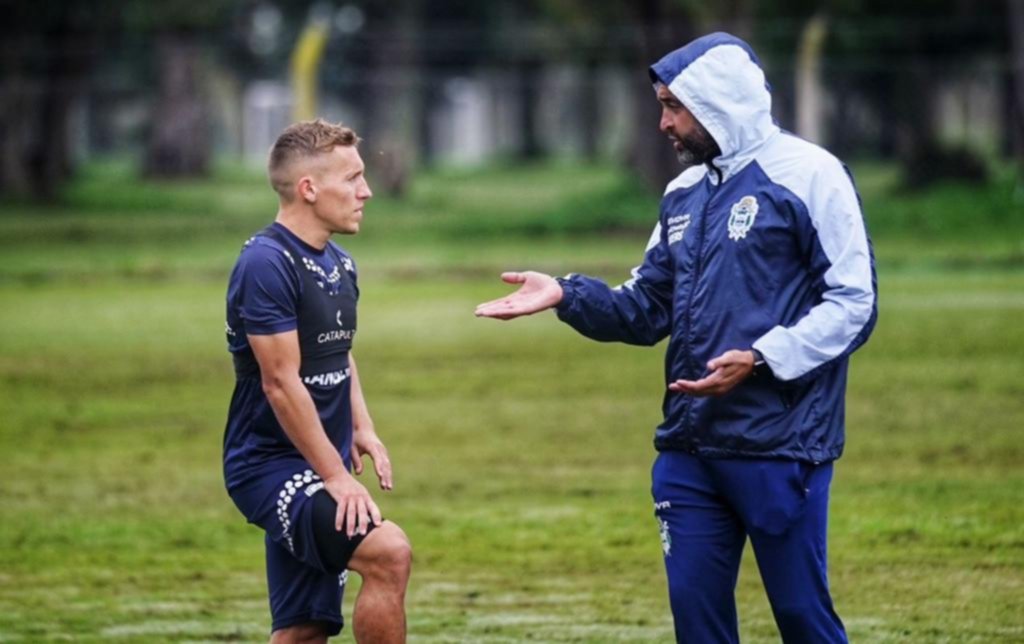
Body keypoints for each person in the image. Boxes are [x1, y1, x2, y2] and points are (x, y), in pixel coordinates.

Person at [475, 32, 876, 644]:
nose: (663, 123)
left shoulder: (811, 175)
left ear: (718, 102)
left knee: (802, 618)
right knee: (698, 625)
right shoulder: (682, 196)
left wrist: (764, 358)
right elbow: (644, 309)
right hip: (688, 451)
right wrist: (564, 293)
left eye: (673, 106)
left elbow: (854, 301)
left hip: (780, 445)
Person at [223, 119, 411, 643]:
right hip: (270, 464)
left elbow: (338, 355)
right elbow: (280, 383)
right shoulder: (266, 263)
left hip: (316, 462)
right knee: (388, 553)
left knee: (304, 629)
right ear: (309, 188)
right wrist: (336, 476)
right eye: (352, 178)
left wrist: (363, 427)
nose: (366, 191)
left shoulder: (339, 263)